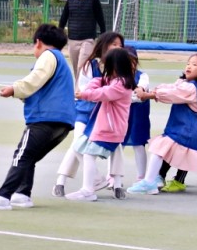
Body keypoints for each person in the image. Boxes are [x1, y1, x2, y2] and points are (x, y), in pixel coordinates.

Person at [0, 24, 76, 210]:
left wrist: (14, 89)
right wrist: (19, 92)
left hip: (45, 119)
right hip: (63, 123)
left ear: (38, 42)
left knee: (21, 156)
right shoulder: (61, 60)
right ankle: (22, 194)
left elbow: (35, 79)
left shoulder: (48, 56)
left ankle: (3, 196)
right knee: (29, 157)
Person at [130, 53, 197, 194]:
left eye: (195, 64)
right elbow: (172, 88)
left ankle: (149, 182)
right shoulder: (188, 85)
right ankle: (153, 180)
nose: (189, 66)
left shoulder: (191, 88)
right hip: (187, 130)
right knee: (160, 150)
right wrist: (150, 92)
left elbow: (171, 94)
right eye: (188, 63)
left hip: (188, 131)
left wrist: (149, 94)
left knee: (159, 148)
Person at [53, 31, 124, 197]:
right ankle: (64, 180)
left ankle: (117, 182)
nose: (117, 48)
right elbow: (86, 90)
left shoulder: (120, 67)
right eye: (114, 44)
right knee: (78, 144)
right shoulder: (89, 65)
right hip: (85, 112)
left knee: (117, 146)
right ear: (104, 45)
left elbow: (125, 87)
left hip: (106, 115)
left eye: (120, 46)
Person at [66, 47, 136, 202]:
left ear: (115, 66)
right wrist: (93, 85)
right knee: (80, 148)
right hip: (102, 127)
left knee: (89, 154)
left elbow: (103, 94)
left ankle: (88, 190)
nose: (104, 69)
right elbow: (97, 83)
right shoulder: (114, 81)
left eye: (107, 66)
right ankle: (93, 184)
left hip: (110, 129)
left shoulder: (121, 84)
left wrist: (84, 94)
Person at [57, 0, 106, 86]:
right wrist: (58, 35)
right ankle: (82, 90)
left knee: (81, 65)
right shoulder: (70, 1)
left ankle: (78, 92)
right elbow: (63, 19)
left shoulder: (93, 1)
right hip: (72, 40)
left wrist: (103, 38)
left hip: (88, 40)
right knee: (76, 68)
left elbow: (101, 20)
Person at [121, 46, 152, 184]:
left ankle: (141, 177)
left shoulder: (143, 76)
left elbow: (139, 94)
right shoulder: (116, 77)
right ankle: (113, 176)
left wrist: (124, 96)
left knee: (139, 144)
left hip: (138, 115)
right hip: (121, 114)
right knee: (117, 145)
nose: (129, 64)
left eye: (132, 60)